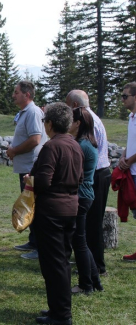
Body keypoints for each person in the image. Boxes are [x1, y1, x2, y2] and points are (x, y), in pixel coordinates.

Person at [28, 102, 83, 325]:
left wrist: (29, 182)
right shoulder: (74, 144)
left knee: (54, 264)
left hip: (51, 210)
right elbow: (79, 178)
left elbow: (43, 181)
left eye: (45, 122)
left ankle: (61, 315)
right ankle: (57, 309)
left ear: (49, 124)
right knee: (61, 261)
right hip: (70, 207)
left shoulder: (52, 147)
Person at [66, 90, 111, 274]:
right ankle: (89, 262)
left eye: (68, 105)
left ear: (75, 106)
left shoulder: (87, 122)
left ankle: (97, 266)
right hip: (98, 173)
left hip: (96, 175)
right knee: (89, 224)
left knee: (92, 224)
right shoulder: (93, 118)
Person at [6, 80, 48, 260]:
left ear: (27, 95)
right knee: (28, 204)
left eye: (16, 92)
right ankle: (33, 240)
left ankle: (40, 247)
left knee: (34, 206)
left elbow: (35, 140)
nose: (13, 95)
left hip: (32, 168)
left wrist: (14, 150)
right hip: (24, 167)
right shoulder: (24, 112)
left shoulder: (32, 112)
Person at [68, 107, 103, 294]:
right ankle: (95, 281)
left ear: (78, 123)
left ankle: (85, 284)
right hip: (85, 196)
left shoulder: (81, 146)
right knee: (81, 242)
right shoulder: (85, 143)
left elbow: (74, 175)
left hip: (80, 197)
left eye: (70, 121)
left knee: (79, 243)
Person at [119, 82, 136, 261]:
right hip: (131, 170)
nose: (122, 99)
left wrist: (128, 161)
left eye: (125, 96)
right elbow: (131, 143)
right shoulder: (132, 117)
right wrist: (124, 157)